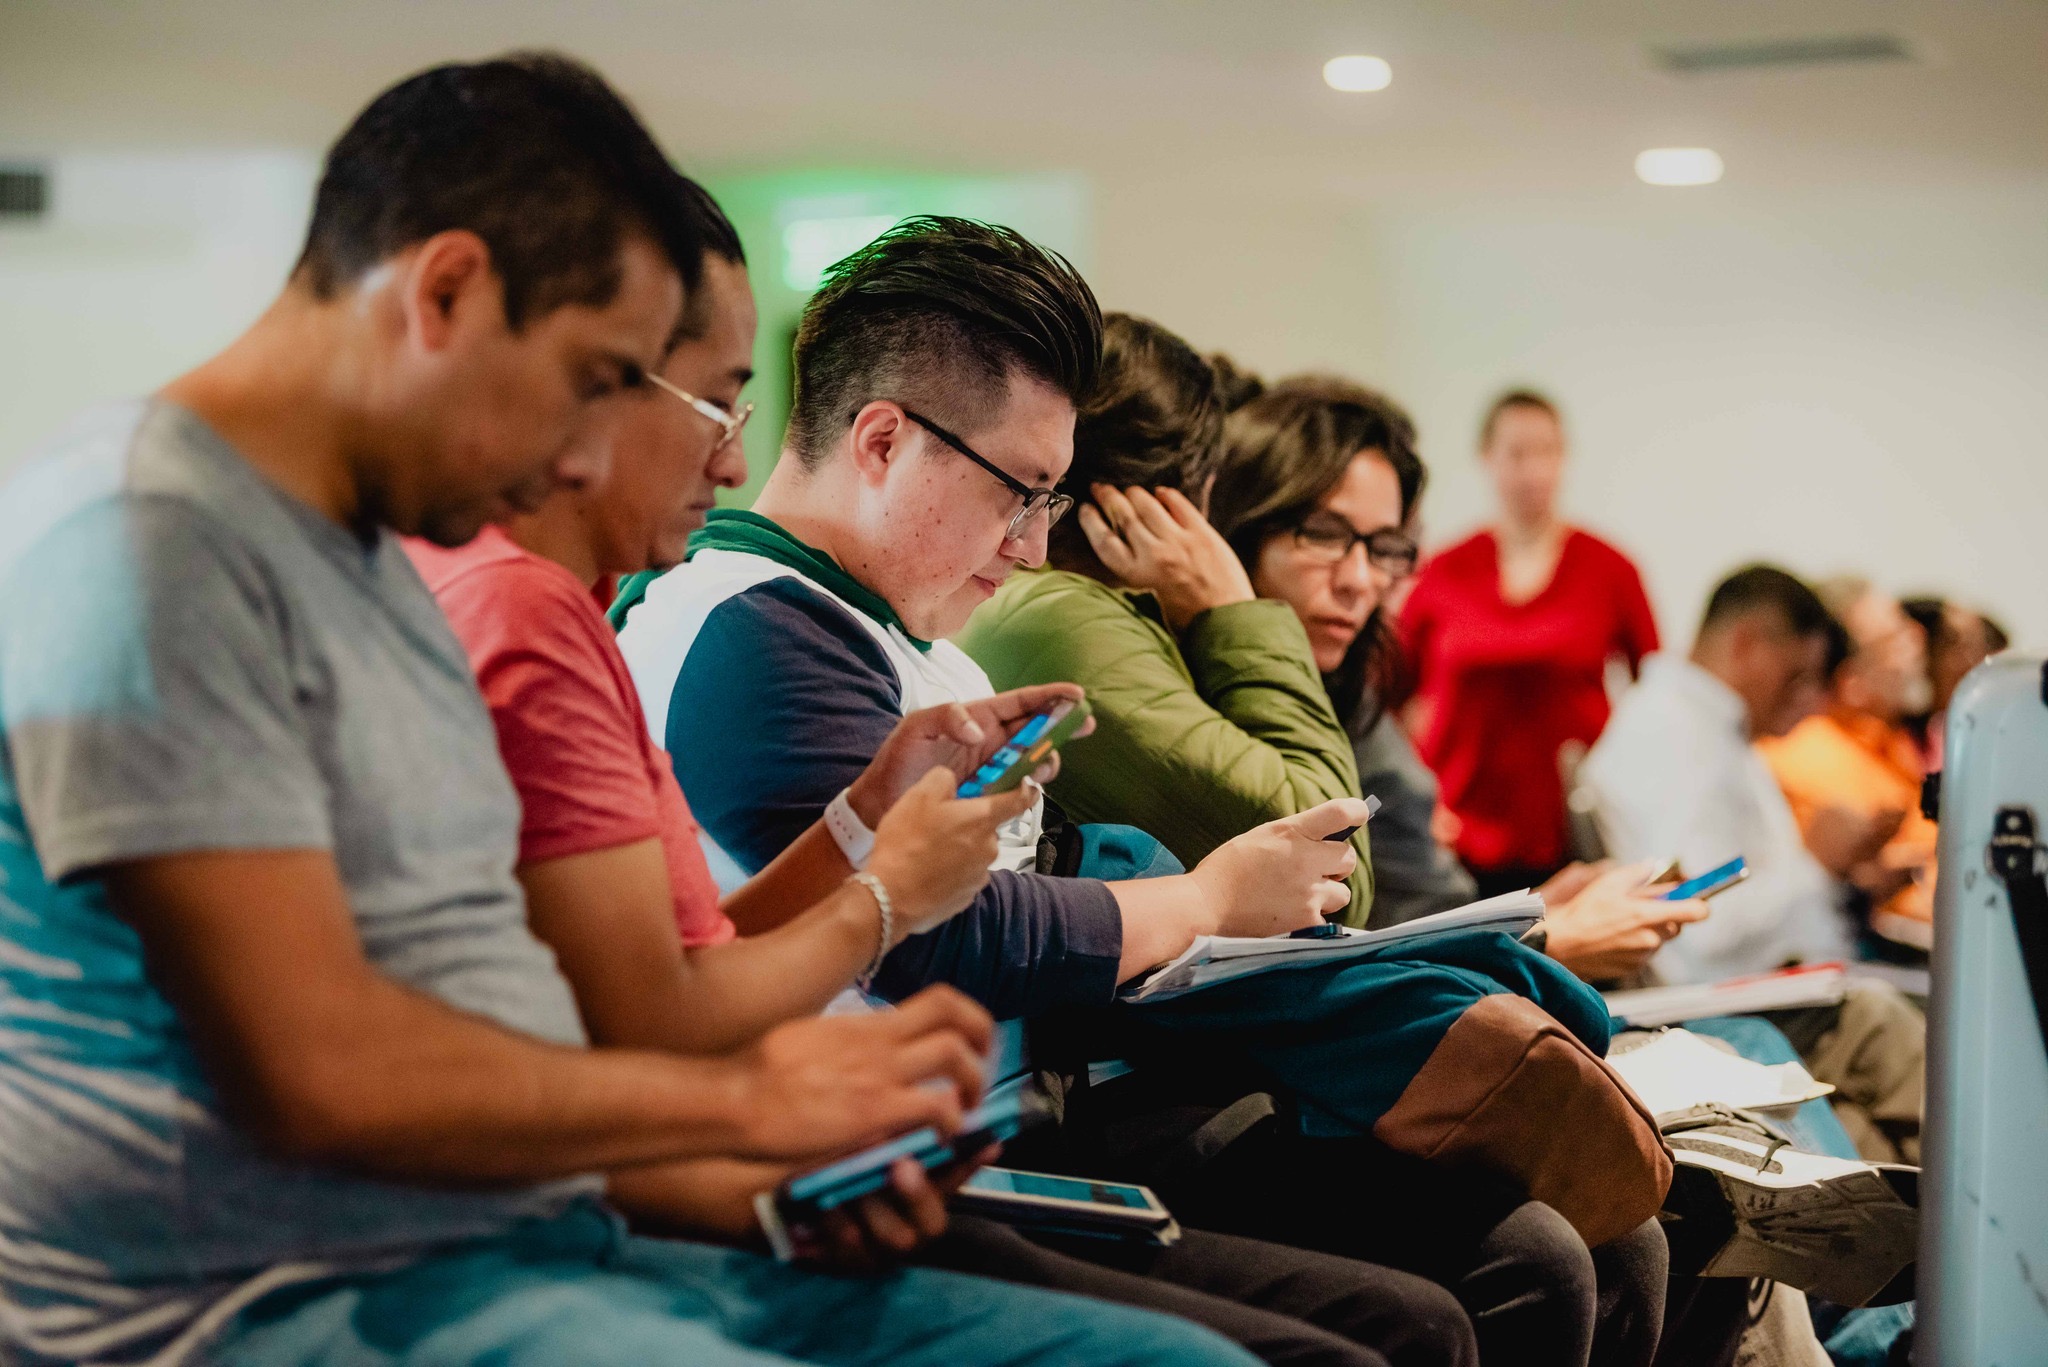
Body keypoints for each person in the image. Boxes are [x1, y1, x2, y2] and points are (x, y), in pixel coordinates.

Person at [0, 56, 1265, 1367]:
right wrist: (756, 1094)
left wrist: (754, 1174)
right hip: (266, 1299)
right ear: (447, 294)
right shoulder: (150, 539)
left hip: (507, 1237)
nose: (583, 452)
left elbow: (495, 1006)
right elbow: (324, 1070)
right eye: (600, 377)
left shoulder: (362, 557)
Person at [416, 184, 1479, 1367]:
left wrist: (861, 834)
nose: (728, 451)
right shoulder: (702, 620)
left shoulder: (860, 632)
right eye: (712, 402)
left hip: (848, 1151)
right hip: (772, 1177)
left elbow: (686, 967)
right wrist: (911, 890)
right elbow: (675, 1009)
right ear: (880, 440)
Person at [618, 221, 1672, 1367]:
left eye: (1050, 503)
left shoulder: (902, 639)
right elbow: (930, 930)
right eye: (1019, 493)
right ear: (881, 439)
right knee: (1414, 1317)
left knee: (1541, 1255)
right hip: (890, 1163)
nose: (1030, 546)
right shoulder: (753, 626)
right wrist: (1207, 901)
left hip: (1000, 1117)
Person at [954, 313, 1372, 917]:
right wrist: (1235, 610)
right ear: (1172, 504)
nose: (1361, 579)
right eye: (1324, 535)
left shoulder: (1060, 606)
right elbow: (1336, 864)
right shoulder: (1063, 618)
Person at [1581, 567, 1926, 1164]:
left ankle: (1957, 1227)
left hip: (1764, 986)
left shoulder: (1705, 730)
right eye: (1796, 676)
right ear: (1749, 645)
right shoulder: (1672, 735)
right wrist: (1816, 862)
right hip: (1718, 1001)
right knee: (1896, 1030)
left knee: (1879, 1128)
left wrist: (1837, 875)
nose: (1807, 698)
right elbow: (1704, 927)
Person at [1399, 390, 1659, 897]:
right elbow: (1385, 700)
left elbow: (1656, 697)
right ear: (1487, 459)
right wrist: (1412, 801)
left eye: (1547, 452)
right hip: (1457, 839)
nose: (1533, 471)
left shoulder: (1611, 569)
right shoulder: (1442, 572)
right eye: (1517, 454)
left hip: (1576, 834)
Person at [1759, 578, 1939, 953]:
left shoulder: (1891, 741)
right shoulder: (1808, 754)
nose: (1917, 641)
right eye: (1894, 639)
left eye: (1908, 626)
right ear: (1852, 680)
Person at [1901, 595, 2002, 766]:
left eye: (1975, 646)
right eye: (1954, 643)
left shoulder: (1946, 738)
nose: (1971, 662)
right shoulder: (1889, 742)